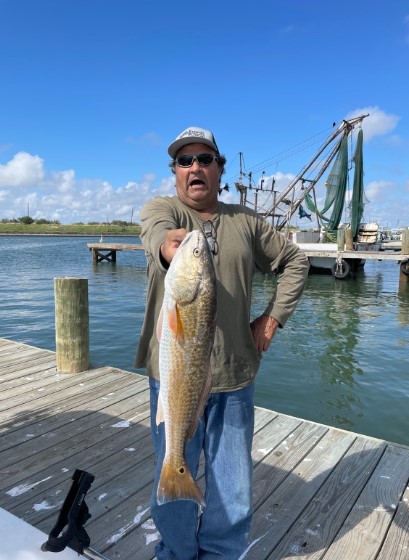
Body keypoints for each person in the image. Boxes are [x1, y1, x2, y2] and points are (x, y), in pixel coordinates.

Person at [135, 126, 309, 559]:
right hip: (173, 378)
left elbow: (295, 261)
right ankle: (175, 553)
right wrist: (171, 247)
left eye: (205, 159)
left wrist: (272, 318)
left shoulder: (247, 222)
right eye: (184, 160)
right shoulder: (162, 210)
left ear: (220, 169)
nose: (195, 167)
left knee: (232, 480)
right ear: (175, 171)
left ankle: (221, 554)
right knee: (171, 467)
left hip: (234, 374)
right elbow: (158, 236)